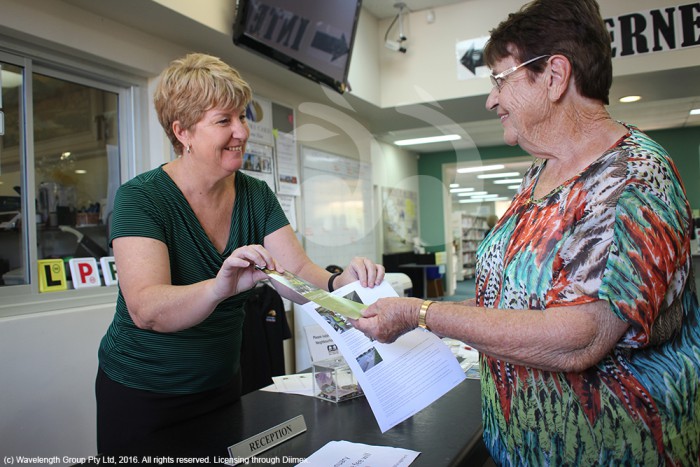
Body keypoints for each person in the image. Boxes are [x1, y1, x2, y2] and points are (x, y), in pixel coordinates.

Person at [352, 0, 700, 464]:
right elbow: (508, 300)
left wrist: (423, 313)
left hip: (609, 452)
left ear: (554, 76)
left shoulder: (634, 176)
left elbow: (583, 336)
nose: (491, 99)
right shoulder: (538, 177)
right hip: (521, 449)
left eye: (500, 79)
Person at [95, 52, 384, 454]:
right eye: (223, 121)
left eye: (243, 117)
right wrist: (220, 287)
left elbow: (297, 272)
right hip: (145, 392)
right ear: (183, 132)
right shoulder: (141, 198)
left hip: (222, 385)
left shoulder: (256, 194)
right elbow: (146, 308)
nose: (242, 132)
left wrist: (340, 282)